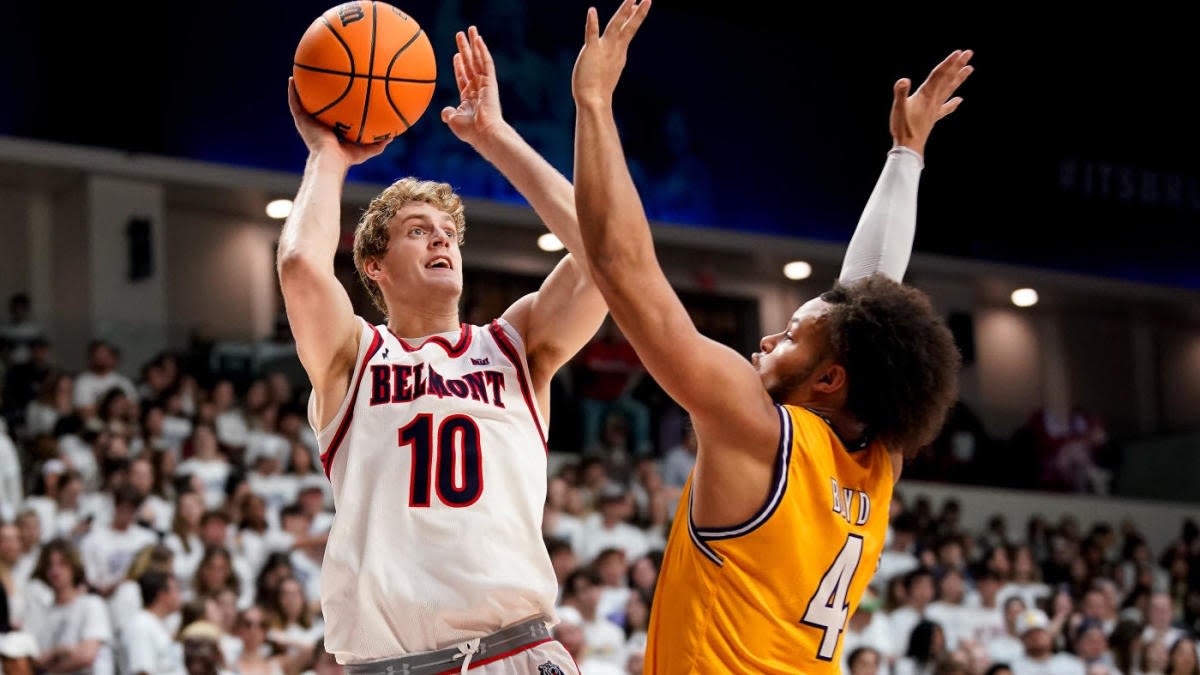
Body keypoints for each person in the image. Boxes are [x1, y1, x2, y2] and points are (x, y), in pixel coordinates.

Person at [569, 1, 970, 670]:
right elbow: (865, 310)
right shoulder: (879, 462)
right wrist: (905, 154)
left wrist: (593, 103)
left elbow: (619, 266)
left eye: (787, 336)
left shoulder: (759, 429)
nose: (765, 340)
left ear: (829, 378)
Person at [277, 20, 608, 674]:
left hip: (513, 653)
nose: (439, 241)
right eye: (416, 231)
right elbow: (298, 268)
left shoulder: (515, 346)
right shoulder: (355, 358)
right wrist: (329, 156)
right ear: (373, 265)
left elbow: (607, 254)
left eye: (447, 233)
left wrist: (497, 138)